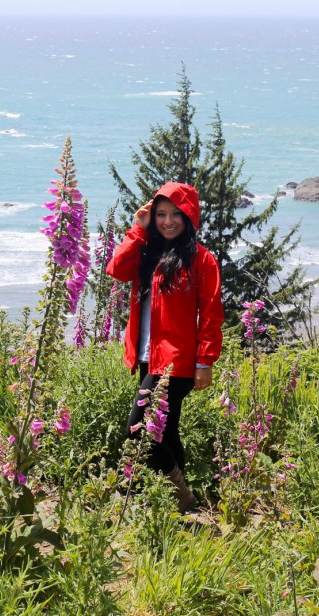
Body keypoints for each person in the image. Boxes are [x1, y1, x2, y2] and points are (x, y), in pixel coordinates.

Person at [105, 181, 224, 512]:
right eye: (160, 214)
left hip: (177, 362)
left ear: (189, 217)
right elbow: (116, 270)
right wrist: (137, 230)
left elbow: (212, 314)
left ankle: (179, 496)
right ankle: (174, 503)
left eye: (176, 214)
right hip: (148, 356)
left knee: (139, 428)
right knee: (166, 432)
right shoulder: (147, 250)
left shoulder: (202, 260)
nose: (168, 221)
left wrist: (205, 362)